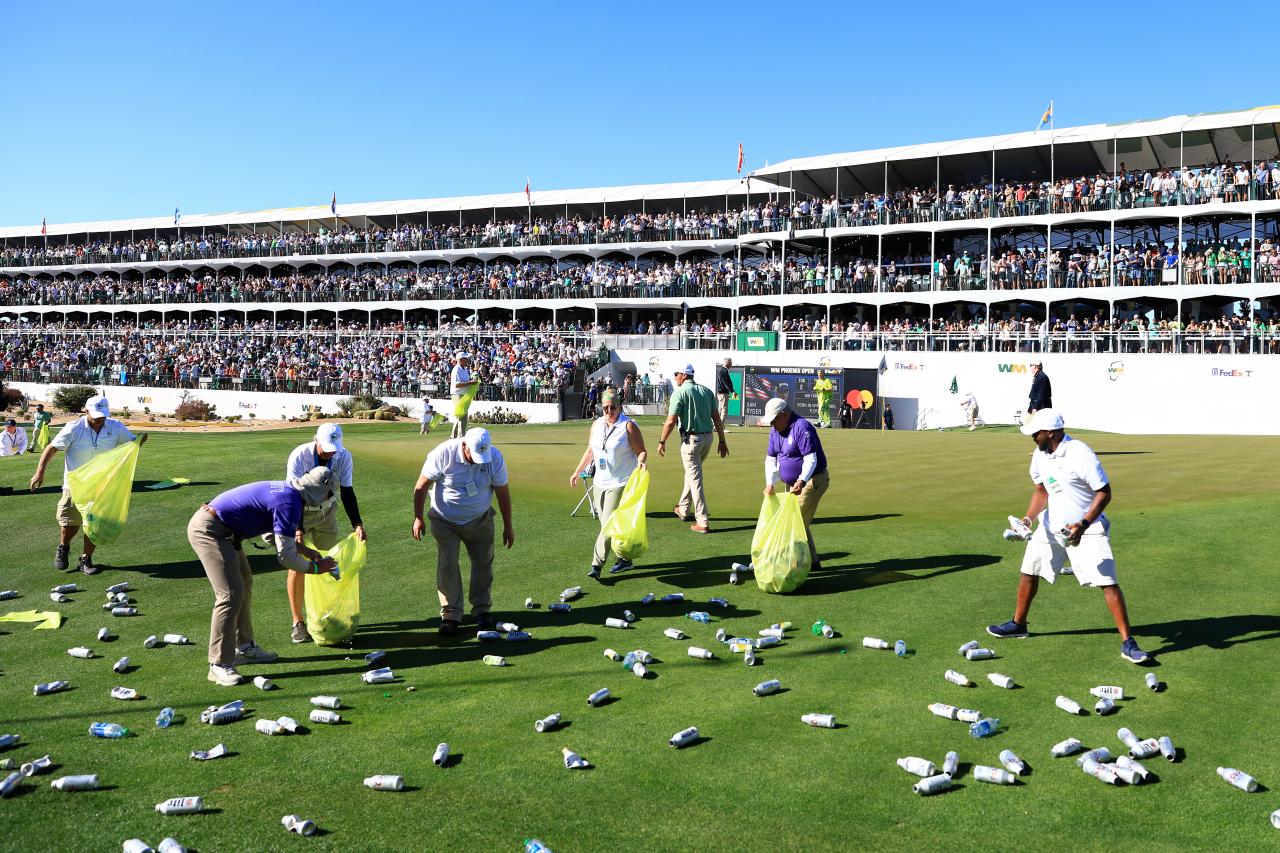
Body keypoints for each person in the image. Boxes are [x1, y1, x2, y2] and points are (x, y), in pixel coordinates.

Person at [985, 409, 1150, 664]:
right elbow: (1041, 490)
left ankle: (1128, 643)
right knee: (1029, 570)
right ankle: (1019, 624)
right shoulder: (1040, 455)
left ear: (1050, 432)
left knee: (1107, 581)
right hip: (1052, 524)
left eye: (1036, 433)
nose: (1032, 438)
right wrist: (1028, 519)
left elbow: (1104, 492)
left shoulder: (1080, 453)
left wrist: (1083, 524)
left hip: (1088, 527)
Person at [188, 467, 339, 686]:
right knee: (230, 594)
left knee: (244, 582)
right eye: (329, 494)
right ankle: (219, 664)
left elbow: (271, 535)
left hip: (225, 530)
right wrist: (317, 568)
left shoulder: (290, 493)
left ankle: (245, 647)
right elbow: (285, 558)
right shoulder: (290, 503)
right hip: (210, 530)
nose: (328, 499)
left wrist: (304, 550)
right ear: (319, 491)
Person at [412, 427, 514, 636]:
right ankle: (450, 614)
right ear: (464, 445)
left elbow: (503, 493)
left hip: (480, 520)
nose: (478, 461)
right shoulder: (443, 453)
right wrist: (418, 517)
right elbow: (421, 486)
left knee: (483, 564)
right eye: (474, 455)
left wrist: (508, 526)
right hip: (444, 519)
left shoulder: (494, 457)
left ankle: (482, 610)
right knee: (448, 564)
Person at [30, 395, 146, 575]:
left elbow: (131, 443)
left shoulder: (115, 427)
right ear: (86, 411)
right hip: (74, 484)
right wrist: (39, 472)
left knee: (94, 524)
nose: (100, 419)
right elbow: (52, 448)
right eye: (96, 415)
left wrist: (139, 440)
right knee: (69, 523)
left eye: (103, 415)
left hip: (102, 486)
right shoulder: (73, 428)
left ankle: (86, 559)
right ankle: (64, 546)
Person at [282, 424, 365, 644]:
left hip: (327, 513)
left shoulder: (343, 456)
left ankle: (325, 614)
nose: (330, 452)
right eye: (326, 447)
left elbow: (347, 490)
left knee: (327, 562)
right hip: (300, 512)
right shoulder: (300, 455)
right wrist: (297, 528)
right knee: (297, 566)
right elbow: (292, 494)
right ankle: (298, 623)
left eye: (334, 448)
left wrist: (357, 523)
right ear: (316, 440)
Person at [569, 389, 647, 579]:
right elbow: (590, 451)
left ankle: (596, 564)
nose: (609, 411)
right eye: (605, 408)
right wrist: (577, 472)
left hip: (620, 482)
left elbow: (642, 451)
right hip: (599, 482)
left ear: (619, 407)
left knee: (608, 524)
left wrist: (642, 462)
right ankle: (625, 559)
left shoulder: (627, 426)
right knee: (608, 524)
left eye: (613, 407)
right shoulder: (596, 425)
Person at [657, 363, 728, 534]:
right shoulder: (706, 391)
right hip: (707, 439)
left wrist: (662, 441)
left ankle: (702, 521)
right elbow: (717, 419)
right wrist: (722, 441)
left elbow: (671, 421)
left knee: (695, 479)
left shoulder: (679, 393)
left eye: (676, 374)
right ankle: (683, 508)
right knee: (691, 474)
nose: (675, 377)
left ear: (683, 375)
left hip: (691, 441)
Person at [761, 398, 829, 569]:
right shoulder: (775, 430)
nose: (772, 425)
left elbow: (810, 459)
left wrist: (802, 480)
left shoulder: (802, 427)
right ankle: (812, 563)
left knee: (793, 524)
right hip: (793, 483)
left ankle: (793, 566)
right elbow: (770, 458)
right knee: (799, 523)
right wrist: (770, 483)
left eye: (774, 421)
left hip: (811, 481)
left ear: (784, 415)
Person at [451, 352, 480, 439]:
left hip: (463, 394)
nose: (467, 360)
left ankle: (456, 436)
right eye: (466, 358)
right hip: (457, 394)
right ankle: (458, 436)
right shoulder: (457, 369)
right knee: (461, 415)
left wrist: (474, 372)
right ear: (460, 360)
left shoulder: (464, 369)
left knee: (462, 415)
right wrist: (471, 382)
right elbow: (457, 384)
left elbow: (466, 382)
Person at [715, 358, 734, 422]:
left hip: (722, 393)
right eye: (731, 362)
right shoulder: (723, 371)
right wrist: (732, 391)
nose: (731, 364)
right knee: (724, 410)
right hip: (723, 393)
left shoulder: (723, 370)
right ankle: (720, 426)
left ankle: (716, 426)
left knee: (720, 409)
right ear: (727, 363)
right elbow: (725, 383)